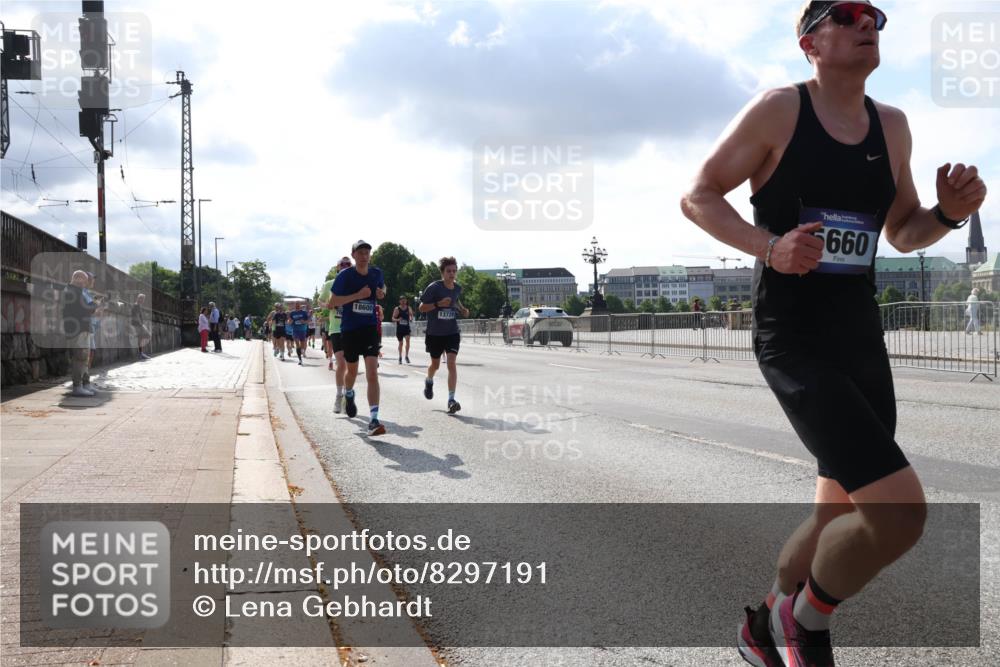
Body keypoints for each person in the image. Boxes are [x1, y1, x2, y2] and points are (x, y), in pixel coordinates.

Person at [678, 3, 987, 666]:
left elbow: (902, 231)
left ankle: (763, 627)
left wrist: (946, 213)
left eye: (874, 14)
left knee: (831, 517)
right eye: (845, 14)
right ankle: (804, 622)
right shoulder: (779, 110)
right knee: (900, 514)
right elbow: (699, 194)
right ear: (808, 40)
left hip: (859, 337)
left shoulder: (893, 125)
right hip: (794, 337)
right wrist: (769, 246)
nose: (866, 21)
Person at [330, 241, 386, 436]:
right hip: (350, 329)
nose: (364, 256)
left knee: (372, 373)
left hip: (370, 328)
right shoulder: (345, 276)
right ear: (353, 255)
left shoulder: (376, 273)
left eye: (367, 253)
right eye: (360, 253)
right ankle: (349, 393)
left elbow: (382, 289)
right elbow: (332, 302)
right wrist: (358, 295)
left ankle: (373, 419)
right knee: (352, 371)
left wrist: (381, 293)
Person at [419, 256, 469, 414]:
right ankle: (429, 380)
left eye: (454, 271)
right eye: (449, 271)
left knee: (451, 363)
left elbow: (456, 300)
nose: (452, 274)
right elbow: (421, 307)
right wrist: (437, 304)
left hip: (452, 332)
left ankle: (451, 400)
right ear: (442, 272)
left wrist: (462, 309)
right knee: (435, 365)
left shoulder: (457, 288)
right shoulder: (434, 287)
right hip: (435, 333)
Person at [63, 270, 97, 397]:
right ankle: (77, 386)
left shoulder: (74, 291)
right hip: (78, 330)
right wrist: (94, 304)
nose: (86, 283)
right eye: (84, 280)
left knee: (84, 358)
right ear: (77, 279)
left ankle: (85, 384)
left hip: (81, 329)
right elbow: (84, 309)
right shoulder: (72, 292)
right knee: (79, 358)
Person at [325, 257, 352, 410]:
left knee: (351, 365)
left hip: (352, 328)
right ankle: (338, 395)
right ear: (337, 268)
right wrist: (329, 305)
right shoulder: (329, 284)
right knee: (341, 363)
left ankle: (348, 393)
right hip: (336, 328)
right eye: (343, 264)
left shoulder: (354, 284)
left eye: (348, 264)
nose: (345, 266)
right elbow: (321, 302)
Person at [392, 295, 413, 363]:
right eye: (402, 300)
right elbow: (393, 318)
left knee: (408, 340)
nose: (403, 302)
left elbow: (411, 315)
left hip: (406, 328)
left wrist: (411, 318)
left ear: (406, 301)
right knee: (401, 343)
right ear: (400, 301)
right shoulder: (397, 309)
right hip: (400, 329)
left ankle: (406, 356)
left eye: (405, 300)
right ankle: (400, 356)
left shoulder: (409, 308)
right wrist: (398, 319)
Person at [131, 294, 152, 360]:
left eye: (143, 299)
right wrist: (141, 325)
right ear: (138, 298)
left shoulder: (138, 305)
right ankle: (141, 353)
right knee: (147, 335)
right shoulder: (136, 305)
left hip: (137, 324)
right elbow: (136, 316)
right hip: (137, 324)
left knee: (141, 338)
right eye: (142, 299)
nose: (143, 300)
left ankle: (141, 353)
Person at [289, 300, 310, 365]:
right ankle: (300, 359)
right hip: (295, 330)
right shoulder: (292, 313)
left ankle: (302, 351)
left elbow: (308, 321)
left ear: (300, 305)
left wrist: (303, 321)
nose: (297, 306)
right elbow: (289, 322)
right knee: (297, 344)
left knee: (302, 344)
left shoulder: (304, 313)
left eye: (298, 305)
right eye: (296, 305)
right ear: (294, 306)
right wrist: (291, 321)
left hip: (302, 330)